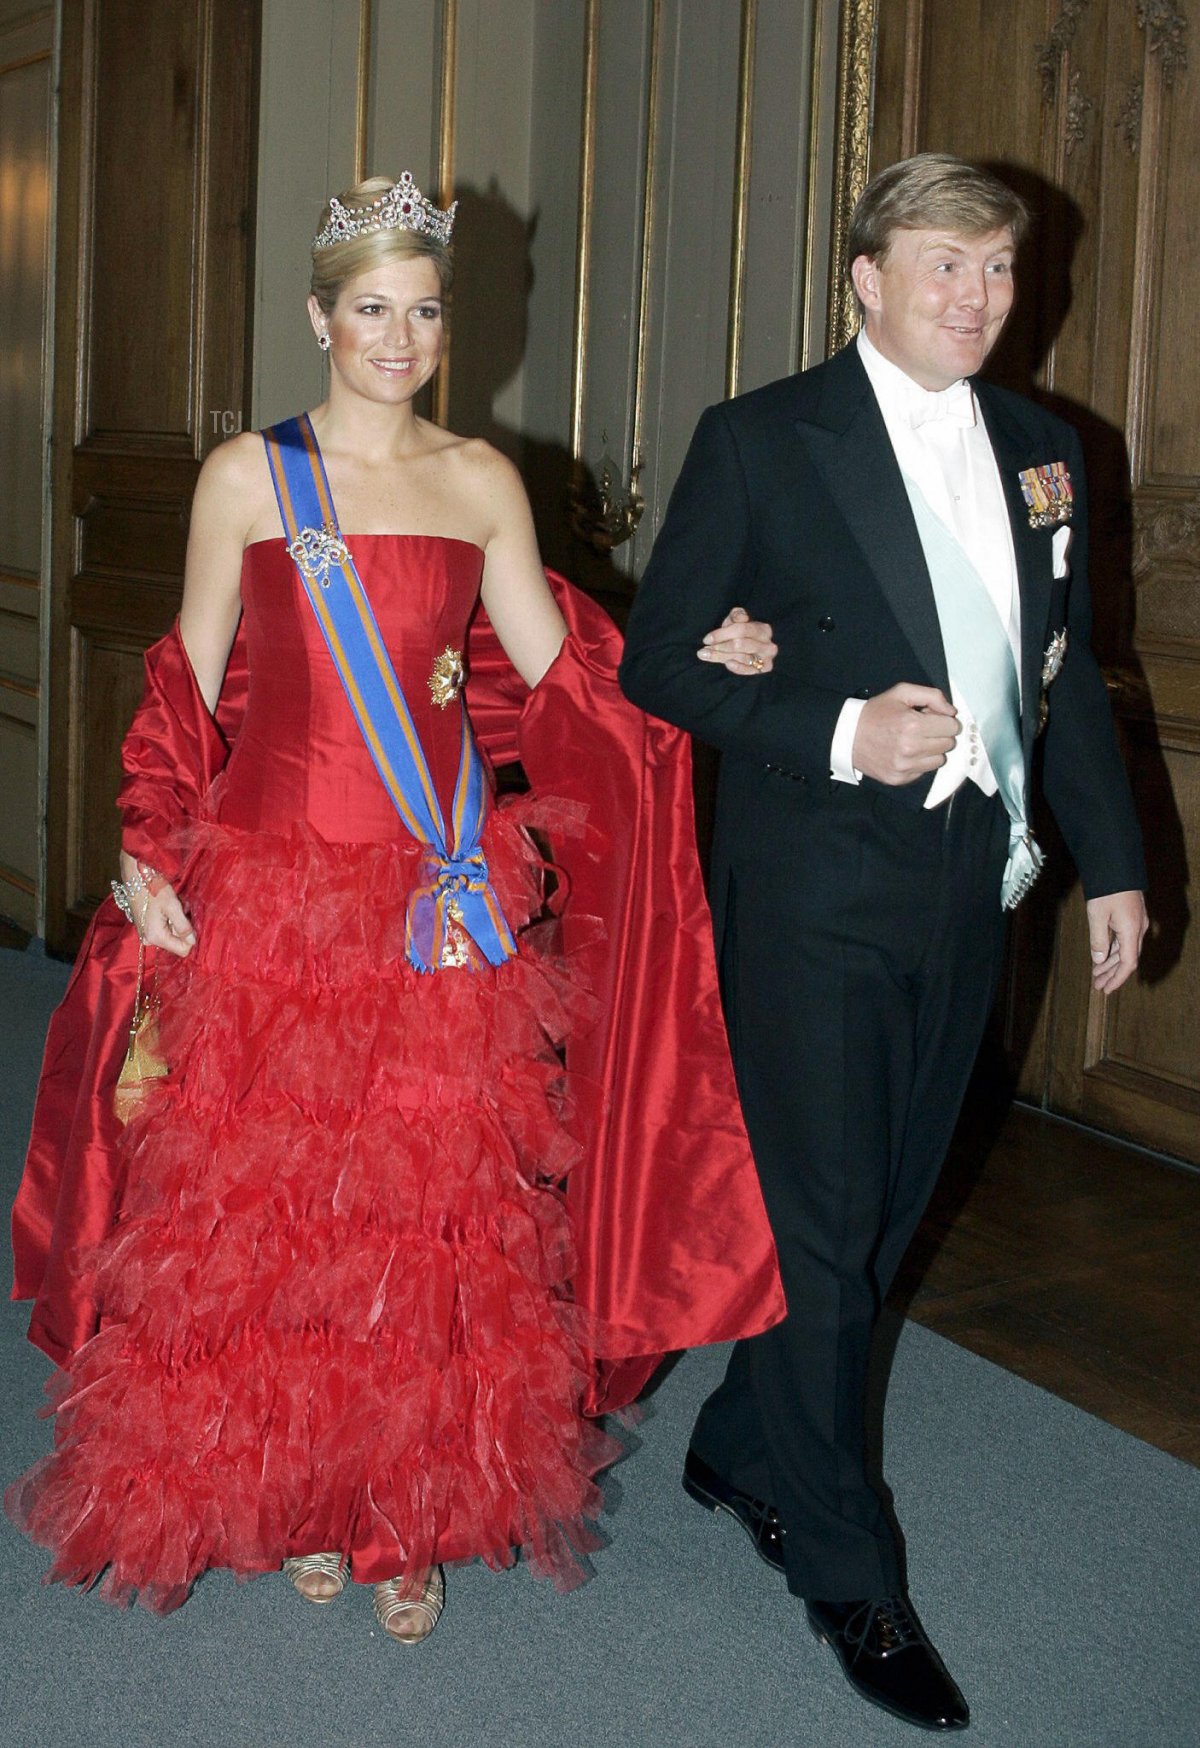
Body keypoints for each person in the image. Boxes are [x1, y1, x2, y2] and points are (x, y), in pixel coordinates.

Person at [7, 174, 785, 1640]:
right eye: (371, 308)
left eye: (424, 310)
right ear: (319, 315)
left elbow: (569, 677)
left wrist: (705, 660)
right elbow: (186, 679)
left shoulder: (484, 480)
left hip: (436, 899)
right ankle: (302, 1492)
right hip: (271, 896)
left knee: (425, 1219)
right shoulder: (249, 474)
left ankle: (392, 1509)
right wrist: (147, 846)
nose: (400, 336)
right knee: (273, 1218)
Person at [619, 153, 1147, 1732]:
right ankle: (847, 1568)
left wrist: (1111, 865)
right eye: (942, 266)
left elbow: (1063, 680)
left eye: (997, 271)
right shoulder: (764, 438)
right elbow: (659, 660)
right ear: (866, 276)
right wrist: (840, 726)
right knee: (830, 1227)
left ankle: (741, 1441)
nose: (976, 299)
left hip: (972, 895)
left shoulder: (1050, 451)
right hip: (813, 892)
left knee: (888, 1204)